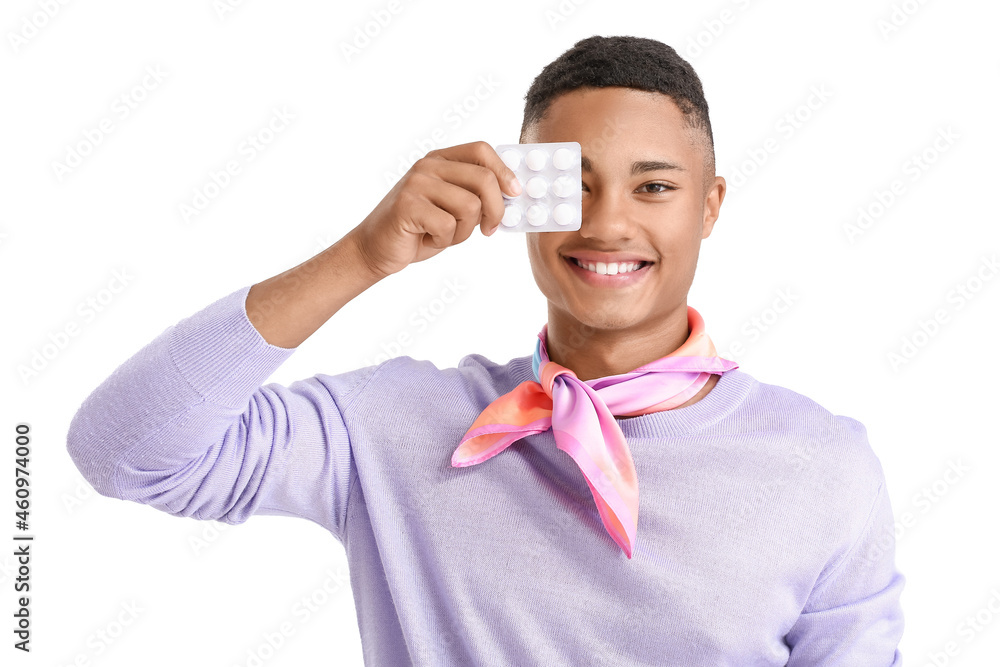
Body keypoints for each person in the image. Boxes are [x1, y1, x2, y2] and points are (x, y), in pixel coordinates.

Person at [67, 35, 905, 665]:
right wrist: (362, 255)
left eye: (653, 186)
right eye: (571, 184)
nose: (607, 222)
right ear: (519, 194)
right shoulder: (393, 427)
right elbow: (125, 451)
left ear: (709, 205)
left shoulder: (823, 465)